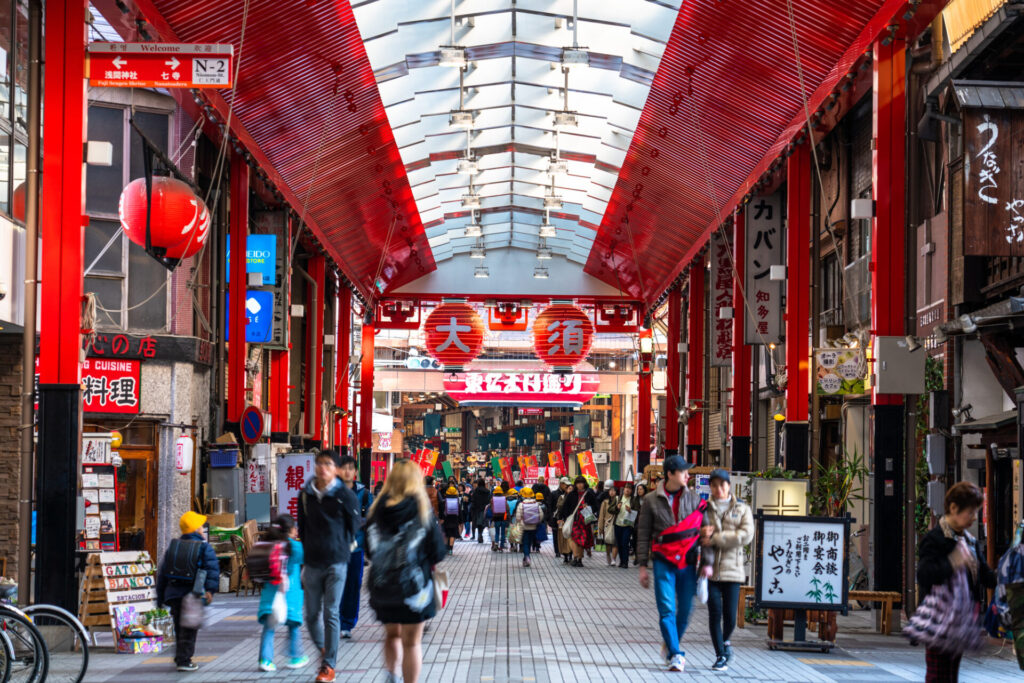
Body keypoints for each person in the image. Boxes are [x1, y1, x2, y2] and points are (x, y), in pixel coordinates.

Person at [365, 459, 447, 683]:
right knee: (412, 642)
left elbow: (370, 550)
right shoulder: (421, 509)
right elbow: (438, 551)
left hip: (382, 586)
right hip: (414, 588)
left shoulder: (377, 511)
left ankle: (391, 675)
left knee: (391, 635)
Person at [636, 455, 711, 673]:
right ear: (670, 474)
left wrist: (707, 563)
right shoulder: (651, 500)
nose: (688, 476)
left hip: (688, 562)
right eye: (683, 472)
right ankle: (676, 654)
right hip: (662, 561)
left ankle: (670, 644)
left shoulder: (696, 500)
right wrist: (642, 566)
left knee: (686, 609)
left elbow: (706, 535)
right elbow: (643, 534)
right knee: (667, 608)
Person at [917, 481, 996, 682]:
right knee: (938, 676)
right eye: (970, 512)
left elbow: (986, 576)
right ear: (953, 508)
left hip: (960, 622)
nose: (974, 517)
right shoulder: (935, 539)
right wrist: (953, 562)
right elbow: (925, 575)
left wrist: (1009, 576)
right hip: (938, 620)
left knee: (950, 675)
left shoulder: (969, 541)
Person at [297, 449, 361, 683]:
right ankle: (325, 650)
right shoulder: (305, 495)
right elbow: (301, 528)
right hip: (313, 562)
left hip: (336, 561)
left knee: (331, 612)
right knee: (312, 615)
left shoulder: (346, 495)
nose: (322, 468)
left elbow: (354, 525)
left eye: (327, 464)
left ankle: (328, 666)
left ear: (335, 469)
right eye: (319, 463)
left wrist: (340, 546)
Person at [699, 469, 753, 672]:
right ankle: (720, 654)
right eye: (714, 485)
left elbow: (745, 535)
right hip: (711, 570)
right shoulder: (704, 509)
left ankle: (726, 642)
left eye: (722, 485)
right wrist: (701, 534)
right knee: (715, 613)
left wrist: (714, 538)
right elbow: (697, 534)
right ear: (710, 487)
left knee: (730, 616)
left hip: (733, 570)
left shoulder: (742, 509)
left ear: (729, 486)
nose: (719, 489)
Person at [155, 511, 220, 672]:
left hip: (174, 594)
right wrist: (211, 590)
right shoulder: (204, 547)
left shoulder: (174, 546)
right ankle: (185, 660)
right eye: (201, 527)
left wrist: (160, 597)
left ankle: (180, 657)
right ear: (196, 529)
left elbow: (163, 573)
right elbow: (212, 570)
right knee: (190, 627)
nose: (203, 530)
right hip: (193, 594)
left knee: (178, 626)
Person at [257, 515, 308, 672]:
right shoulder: (296, 547)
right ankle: (296, 656)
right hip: (290, 595)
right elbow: (308, 560)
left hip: (269, 595)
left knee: (269, 628)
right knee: (293, 626)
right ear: (292, 529)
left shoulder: (265, 545)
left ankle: (265, 660)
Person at [338, 454, 373, 640]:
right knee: (335, 585)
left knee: (352, 585)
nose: (347, 471)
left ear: (356, 471)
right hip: (335, 548)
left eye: (351, 468)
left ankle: (347, 623)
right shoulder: (330, 491)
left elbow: (374, 518)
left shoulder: (364, 493)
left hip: (356, 548)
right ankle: (334, 620)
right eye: (344, 468)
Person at [558, 476, 597, 567]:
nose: (580, 485)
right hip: (574, 520)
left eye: (581, 483)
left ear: (584, 484)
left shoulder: (589, 494)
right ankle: (576, 557)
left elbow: (596, 505)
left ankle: (579, 559)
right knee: (575, 539)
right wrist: (561, 518)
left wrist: (589, 507)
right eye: (578, 483)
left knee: (582, 541)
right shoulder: (572, 494)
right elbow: (565, 507)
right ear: (575, 484)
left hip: (585, 521)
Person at [611, 481, 641, 569]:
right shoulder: (618, 498)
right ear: (623, 489)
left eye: (629, 488)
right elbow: (610, 509)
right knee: (619, 543)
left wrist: (631, 510)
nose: (627, 490)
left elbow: (638, 511)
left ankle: (625, 562)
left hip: (628, 525)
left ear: (632, 491)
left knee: (625, 543)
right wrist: (617, 507)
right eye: (626, 488)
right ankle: (621, 561)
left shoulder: (634, 500)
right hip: (617, 524)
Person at [515, 487, 545, 567]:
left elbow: (518, 517)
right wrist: (537, 522)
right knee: (530, 542)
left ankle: (527, 556)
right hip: (534, 527)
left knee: (525, 542)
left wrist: (520, 522)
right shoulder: (536, 504)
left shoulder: (521, 505)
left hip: (524, 527)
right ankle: (527, 556)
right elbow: (541, 516)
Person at [597, 484, 620, 566]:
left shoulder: (619, 502)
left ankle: (613, 559)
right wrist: (600, 527)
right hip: (607, 525)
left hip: (616, 524)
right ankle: (608, 555)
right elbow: (601, 515)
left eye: (614, 491)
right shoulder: (605, 502)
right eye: (610, 490)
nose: (612, 492)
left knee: (615, 542)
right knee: (608, 542)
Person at [550, 477, 571, 562]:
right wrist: (551, 519)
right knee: (556, 535)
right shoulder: (554, 494)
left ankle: (567, 551)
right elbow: (550, 506)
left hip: (567, 518)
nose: (567, 486)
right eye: (566, 485)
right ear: (561, 484)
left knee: (567, 535)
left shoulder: (571, 494)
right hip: (557, 518)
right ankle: (557, 551)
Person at [442, 485, 462, 555]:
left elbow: (442, 511)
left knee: (446, 534)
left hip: (446, 519)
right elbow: (459, 512)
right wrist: (460, 521)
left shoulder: (444, 501)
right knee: (452, 535)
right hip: (454, 519)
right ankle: (450, 549)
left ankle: (445, 549)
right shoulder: (457, 501)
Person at [632, 483, 648, 565]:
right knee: (635, 541)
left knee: (644, 542)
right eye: (638, 489)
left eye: (641, 489)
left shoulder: (648, 499)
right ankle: (637, 556)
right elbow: (632, 509)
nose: (639, 491)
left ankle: (644, 559)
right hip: (636, 523)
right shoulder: (635, 500)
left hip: (646, 524)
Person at [470, 479, 491, 543]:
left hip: (477, 509)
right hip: (485, 509)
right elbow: (489, 500)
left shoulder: (475, 491)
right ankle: (480, 534)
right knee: (484, 522)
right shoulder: (487, 491)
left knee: (478, 522)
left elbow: (473, 500)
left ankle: (480, 534)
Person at [489, 486, 509, 552]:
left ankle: (496, 543)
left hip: (496, 518)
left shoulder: (492, 499)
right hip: (503, 517)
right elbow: (507, 508)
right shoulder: (504, 498)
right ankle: (501, 546)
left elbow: (491, 509)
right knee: (503, 532)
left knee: (497, 532)